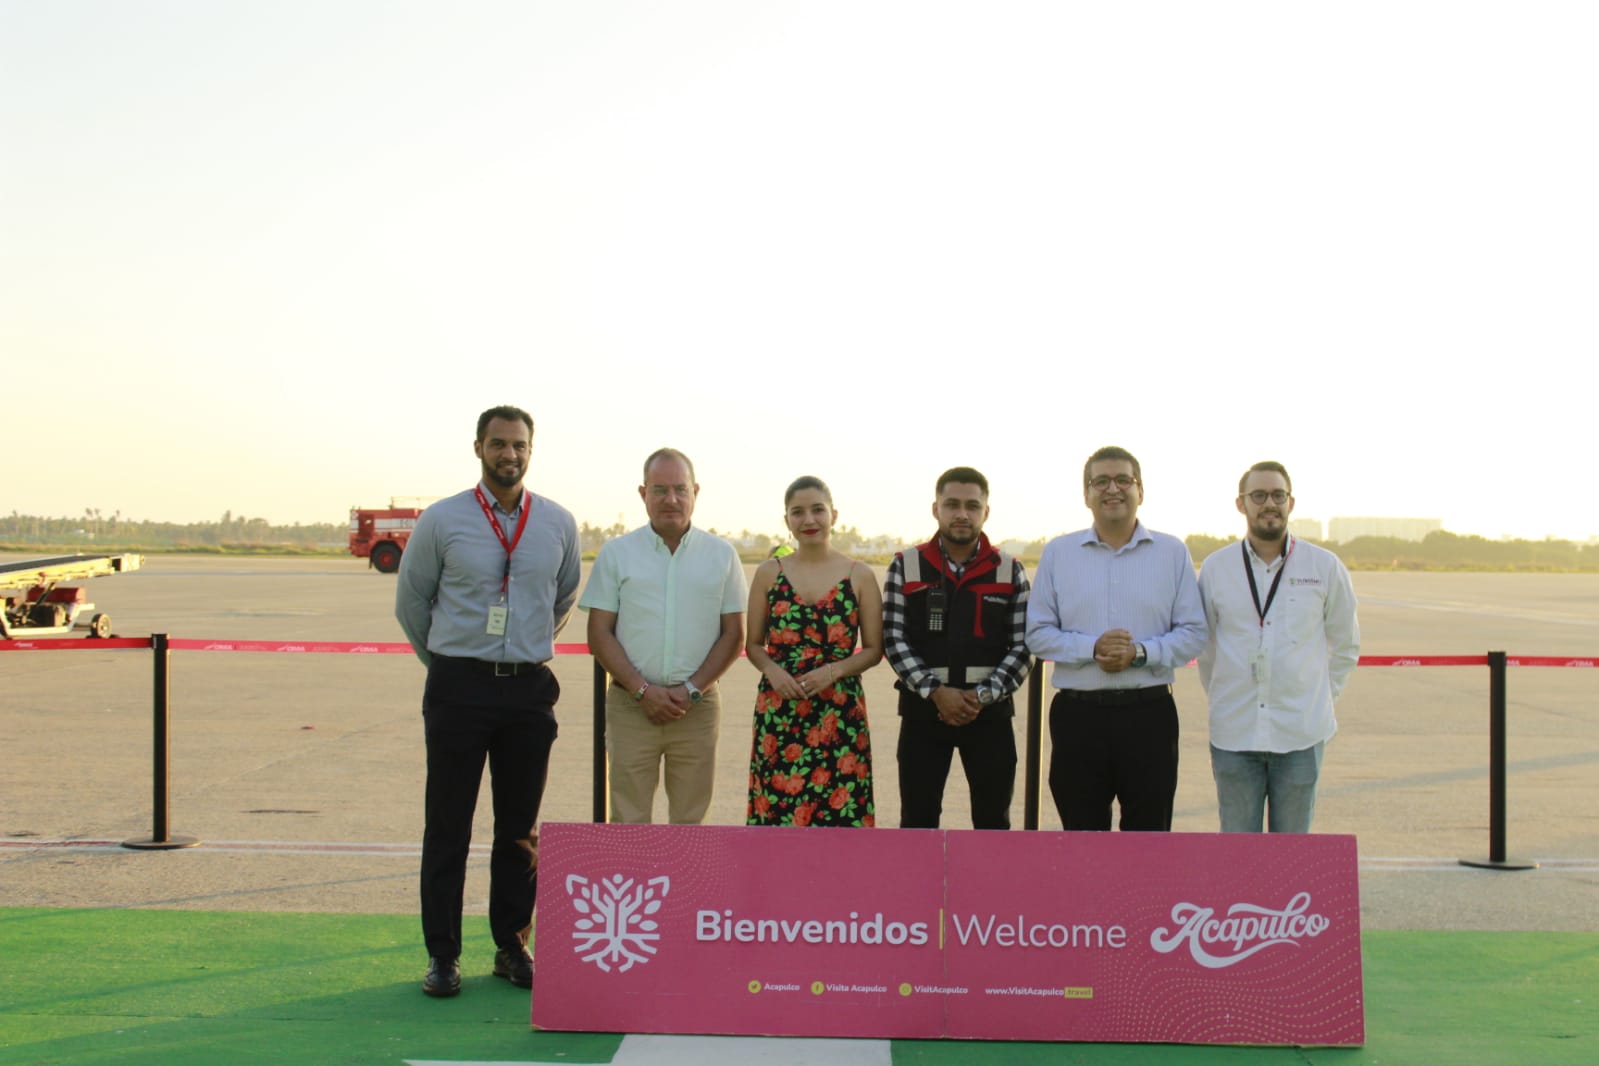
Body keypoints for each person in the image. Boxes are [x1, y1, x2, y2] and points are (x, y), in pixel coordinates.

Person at [395, 405, 580, 997]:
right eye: (498, 444)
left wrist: (523, 647)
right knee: (448, 825)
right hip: (459, 687)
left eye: (519, 445)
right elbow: (412, 602)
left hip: (527, 689)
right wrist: (451, 664)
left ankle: (511, 945)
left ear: (531, 450)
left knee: (519, 830)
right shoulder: (442, 519)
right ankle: (442, 955)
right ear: (478, 447)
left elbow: (562, 597)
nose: (509, 455)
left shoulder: (557, 523)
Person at [1025, 445, 1207, 832]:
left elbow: (1194, 633)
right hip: (1078, 718)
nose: (1113, 489)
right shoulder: (1059, 553)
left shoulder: (1172, 552)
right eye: (1101, 481)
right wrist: (1092, 648)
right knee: (1082, 837)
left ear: (1141, 490)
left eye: (1124, 480)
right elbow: (1037, 634)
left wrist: (1140, 653)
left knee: (1149, 837)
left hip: (1149, 717)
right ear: (1086, 493)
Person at [580, 448, 747, 824]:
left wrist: (691, 691)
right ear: (643, 494)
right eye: (659, 490)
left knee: (691, 822)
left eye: (680, 489)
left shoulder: (721, 556)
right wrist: (642, 690)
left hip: (696, 709)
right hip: (631, 706)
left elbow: (734, 635)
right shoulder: (617, 553)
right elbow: (599, 633)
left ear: (695, 492)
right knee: (628, 820)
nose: (670, 499)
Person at [1198, 461, 1360, 833]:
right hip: (1235, 734)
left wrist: (1319, 698)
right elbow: (1206, 648)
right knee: (1239, 850)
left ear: (1291, 503)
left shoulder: (1323, 566)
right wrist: (1226, 695)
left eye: (1278, 495)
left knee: (1292, 853)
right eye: (1258, 495)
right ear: (1241, 504)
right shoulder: (1217, 568)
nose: (1269, 503)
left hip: (1300, 734)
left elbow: (1346, 645)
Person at [884, 467, 1032, 829]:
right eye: (952, 505)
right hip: (923, 713)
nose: (962, 514)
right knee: (917, 821)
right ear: (936, 509)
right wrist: (937, 693)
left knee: (993, 823)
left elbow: (1023, 645)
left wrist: (980, 697)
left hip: (989, 715)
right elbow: (893, 638)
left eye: (972, 506)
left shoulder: (1009, 569)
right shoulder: (907, 565)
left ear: (986, 511)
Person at [745, 476, 883, 827]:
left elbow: (873, 650)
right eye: (798, 512)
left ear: (834, 515)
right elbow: (753, 644)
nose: (809, 520)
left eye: (817, 510)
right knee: (777, 815)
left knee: (840, 817)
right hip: (779, 711)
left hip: (839, 714)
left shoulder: (860, 575)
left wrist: (832, 672)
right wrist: (774, 672)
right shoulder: (768, 574)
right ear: (787, 520)